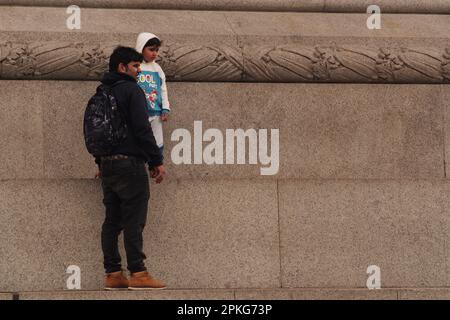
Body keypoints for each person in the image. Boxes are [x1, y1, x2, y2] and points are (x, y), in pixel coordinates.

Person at [95, 46, 166, 290]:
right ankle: (138, 272)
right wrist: (156, 160)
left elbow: (100, 131)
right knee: (134, 220)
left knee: (112, 222)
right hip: (130, 165)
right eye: (135, 66)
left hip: (108, 165)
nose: (138, 70)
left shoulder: (103, 92)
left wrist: (100, 162)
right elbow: (142, 129)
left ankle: (113, 274)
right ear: (122, 67)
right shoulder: (131, 90)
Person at [135, 32, 171, 159]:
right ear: (141, 48)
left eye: (157, 50)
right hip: (139, 112)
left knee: (157, 140)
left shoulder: (157, 69)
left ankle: (156, 163)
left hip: (155, 111)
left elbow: (163, 89)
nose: (155, 53)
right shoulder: (135, 66)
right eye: (151, 50)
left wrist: (165, 108)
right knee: (138, 139)